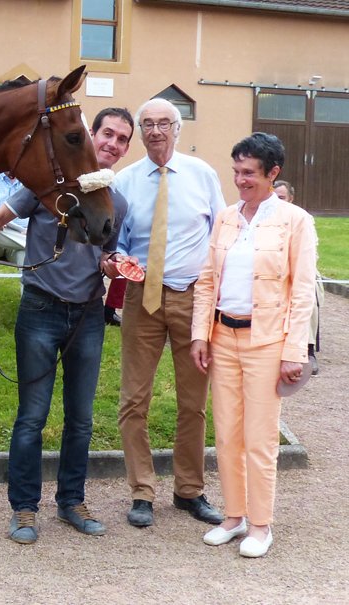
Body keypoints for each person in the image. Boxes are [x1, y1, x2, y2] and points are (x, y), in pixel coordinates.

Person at [0, 107, 133, 544]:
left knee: (81, 419)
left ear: (126, 149)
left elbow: (105, 253)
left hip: (87, 316)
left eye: (122, 139)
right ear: (90, 135)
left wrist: (113, 264)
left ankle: (72, 502)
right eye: (107, 133)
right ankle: (24, 509)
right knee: (32, 417)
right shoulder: (46, 184)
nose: (112, 143)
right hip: (40, 312)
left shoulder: (117, 202)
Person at [191, 133, 317, 558]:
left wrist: (294, 351)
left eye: (249, 173)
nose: (240, 180)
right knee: (227, 434)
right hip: (223, 337)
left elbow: (302, 291)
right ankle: (234, 516)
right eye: (236, 171)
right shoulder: (226, 218)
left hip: (267, 341)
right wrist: (200, 334)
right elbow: (207, 279)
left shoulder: (296, 221)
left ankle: (261, 525)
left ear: (272, 173)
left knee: (260, 437)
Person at [111, 98, 226, 528]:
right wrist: (120, 259)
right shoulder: (125, 180)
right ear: (140, 132)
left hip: (193, 298)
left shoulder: (202, 174)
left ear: (178, 129)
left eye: (164, 123)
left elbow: (220, 235)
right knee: (133, 400)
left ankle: (189, 490)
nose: (156, 131)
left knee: (193, 403)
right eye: (148, 124)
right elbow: (117, 239)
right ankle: (141, 491)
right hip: (142, 297)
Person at [274, 180, 323, 376]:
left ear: (291, 199)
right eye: (274, 197)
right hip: (273, 270)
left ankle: (308, 350)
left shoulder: (302, 218)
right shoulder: (264, 217)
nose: (277, 201)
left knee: (309, 294)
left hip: (300, 269)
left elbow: (310, 256)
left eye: (281, 197)